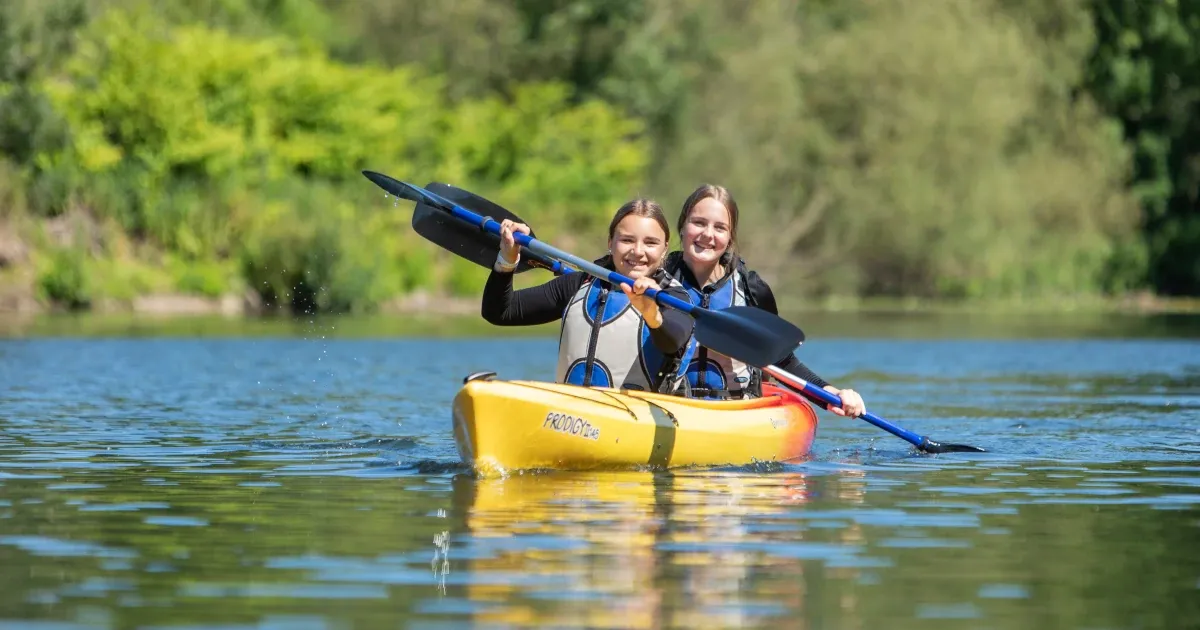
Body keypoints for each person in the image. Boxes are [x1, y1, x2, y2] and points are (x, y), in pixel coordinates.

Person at [663, 184, 867, 417]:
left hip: (736, 411)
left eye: (720, 228)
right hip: (670, 407)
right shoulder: (657, 282)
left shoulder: (752, 290)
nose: (708, 234)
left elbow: (781, 361)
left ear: (729, 239)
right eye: (699, 223)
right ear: (682, 227)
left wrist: (831, 394)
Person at [481, 198, 694, 393]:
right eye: (627, 240)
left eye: (650, 243)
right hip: (571, 415)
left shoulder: (672, 296)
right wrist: (507, 260)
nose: (638, 251)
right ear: (610, 242)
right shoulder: (579, 284)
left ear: (665, 248)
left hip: (637, 421)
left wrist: (651, 312)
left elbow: (672, 343)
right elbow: (500, 312)